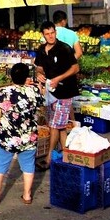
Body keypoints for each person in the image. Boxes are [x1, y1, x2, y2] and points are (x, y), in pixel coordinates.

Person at [0, 62, 42, 206]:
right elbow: (40, 105)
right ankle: (27, 195)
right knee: (28, 165)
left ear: (11, 76)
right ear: (26, 77)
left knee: (0, 165)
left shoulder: (3, 92)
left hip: (6, 137)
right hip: (28, 137)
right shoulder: (34, 91)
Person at [33, 20, 80, 170]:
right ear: (43, 35)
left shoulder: (64, 48)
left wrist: (58, 79)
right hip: (50, 93)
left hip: (65, 91)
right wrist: (38, 75)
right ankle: (66, 156)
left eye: (52, 33)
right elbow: (39, 68)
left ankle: (48, 159)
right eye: (47, 34)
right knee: (59, 126)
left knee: (54, 125)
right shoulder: (41, 50)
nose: (50, 36)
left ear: (55, 32)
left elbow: (75, 68)